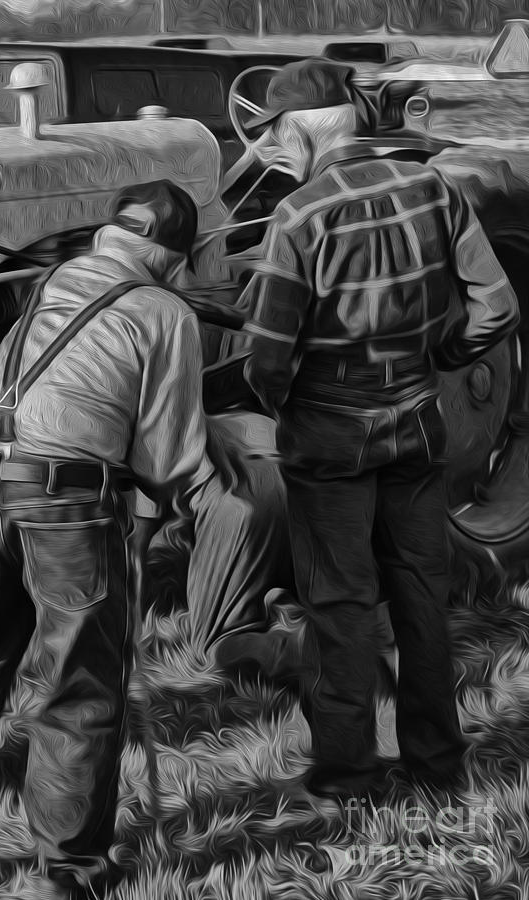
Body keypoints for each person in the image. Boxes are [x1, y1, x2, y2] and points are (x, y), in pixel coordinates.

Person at [0, 181, 215, 900]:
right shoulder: (164, 311)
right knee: (76, 685)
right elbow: (165, 458)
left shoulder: (56, 278)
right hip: (63, 498)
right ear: (173, 258)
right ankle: (66, 874)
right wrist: (155, 515)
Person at [238, 58, 519, 799]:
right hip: (418, 420)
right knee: (422, 595)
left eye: (277, 135)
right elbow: (497, 307)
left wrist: (289, 405)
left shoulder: (298, 215)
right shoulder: (435, 188)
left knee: (339, 601)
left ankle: (347, 771)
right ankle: (437, 763)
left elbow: (265, 359)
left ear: (302, 129)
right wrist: (441, 355)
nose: (275, 150)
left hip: (330, 429)